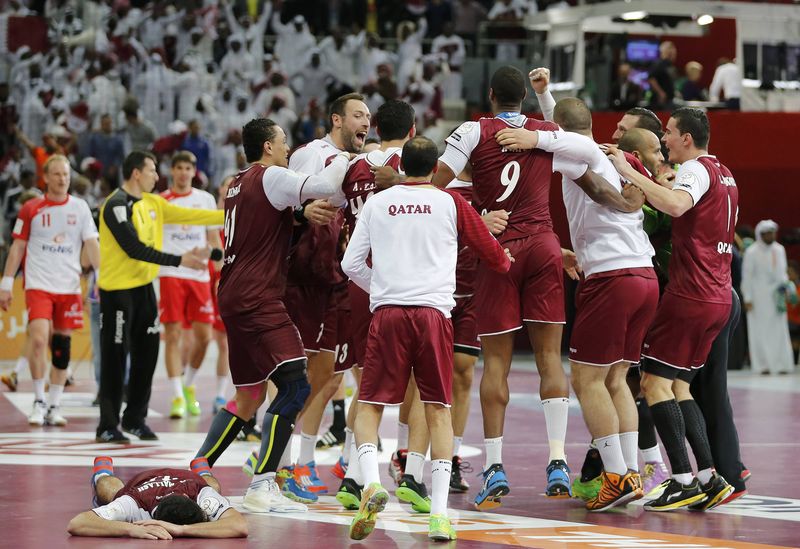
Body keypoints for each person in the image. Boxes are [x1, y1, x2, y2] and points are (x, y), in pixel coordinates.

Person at [342, 136, 512, 541]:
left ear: (403, 166)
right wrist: (508, 261)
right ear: (436, 168)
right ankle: (438, 514)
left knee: (370, 406)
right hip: (435, 315)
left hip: (387, 314)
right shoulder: (451, 202)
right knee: (438, 409)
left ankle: (369, 485)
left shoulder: (379, 203)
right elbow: (493, 254)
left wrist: (381, 288)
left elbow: (350, 263)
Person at [496, 96, 657, 511]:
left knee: (587, 381)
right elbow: (566, 134)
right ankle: (630, 472)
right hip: (644, 274)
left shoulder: (579, 152)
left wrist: (529, 136)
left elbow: (564, 145)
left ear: (560, 130)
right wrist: (547, 99)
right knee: (616, 380)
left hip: (611, 275)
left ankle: (618, 477)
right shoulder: (612, 155)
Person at [430, 66, 573, 509]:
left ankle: (494, 466)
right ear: (524, 101)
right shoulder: (546, 131)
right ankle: (558, 459)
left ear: (490, 95)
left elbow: (433, 188)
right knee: (551, 357)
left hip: (500, 250)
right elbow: (572, 137)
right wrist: (544, 101)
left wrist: (475, 217)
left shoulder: (475, 130)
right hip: (545, 245)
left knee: (496, 364)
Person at [192, 118, 350, 514]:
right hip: (258, 296)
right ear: (267, 146)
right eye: (282, 143)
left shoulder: (235, 183)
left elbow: (264, 223)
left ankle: (201, 464)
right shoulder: (272, 174)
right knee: (297, 387)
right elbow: (326, 185)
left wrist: (299, 218)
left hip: (233, 292)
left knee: (250, 394)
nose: (286, 149)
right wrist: (344, 159)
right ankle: (263, 484)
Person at [605, 107, 737, 511]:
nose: (664, 139)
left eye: (670, 133)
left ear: (687, 138)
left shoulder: (696, 170)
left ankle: (680, 479)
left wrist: (632, 175)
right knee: (679, 386)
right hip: (718, 294)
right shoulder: (725, 174)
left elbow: (678, 206)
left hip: (691, 295)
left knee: (652, 384)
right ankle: (709, 477)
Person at [96, 151, 222, 444]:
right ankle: (107, 423)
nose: (157, 176)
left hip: (143, 290)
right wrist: (180, 261)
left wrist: (236, 209)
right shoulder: (115, 205)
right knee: (115, 357)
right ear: (136, 173)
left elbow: (196, 216)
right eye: (152, 170)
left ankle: (135, 418)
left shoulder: (154, 203)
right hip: (117, 292)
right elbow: (134, 248)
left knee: (148, 353)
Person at [281, 93, 370, 498]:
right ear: (336, 119)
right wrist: (303, 214)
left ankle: (302, 460)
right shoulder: (311, 154)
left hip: (335, 276)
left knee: (331, 378)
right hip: (304, 279)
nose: (364, 122)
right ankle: (281, 461)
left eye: (368, 116)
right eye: (357, 115)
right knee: (299, 377)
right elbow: (286, 206)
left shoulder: (361, 162)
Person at [0, 155, 98, 426]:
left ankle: (55, 405)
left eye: (65, 174)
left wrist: (100, 277)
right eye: (56, 174)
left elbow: (91, 244)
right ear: (46, 177)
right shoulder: (31, 208)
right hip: (38, 284)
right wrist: (6, 284)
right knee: (40, 338)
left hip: (68, 286)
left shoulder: (80, 208)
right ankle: (39, 400)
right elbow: (17, 247)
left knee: (61, 347)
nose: (62, 179)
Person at [159, 151, 223, 419]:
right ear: (172, 171)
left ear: (194, 172)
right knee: (172, 335)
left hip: (199, 276)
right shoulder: (161, 201)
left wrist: (215, 265)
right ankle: (176, 396)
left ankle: (187, 386)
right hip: (171, 273)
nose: (184, 173)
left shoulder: (205, 200)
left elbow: (214, 241)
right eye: (179, 168)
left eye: (188, 168)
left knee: (204, 337)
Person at [67, 456, 247, 538]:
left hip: (186, 478)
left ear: (187, 497)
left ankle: (200, 466)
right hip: (144, 481)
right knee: (111, 491)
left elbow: (240, 526)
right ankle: (102, 471)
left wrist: (183, 530)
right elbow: (77, 523)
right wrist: (129, 529)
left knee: (212, 487)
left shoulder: (199, 492)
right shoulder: (135, 503)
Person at [742, 220, 794, 375]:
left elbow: (782, 272)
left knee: (780, 330)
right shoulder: (752, 252)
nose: (771, 235)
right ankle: (762, 365)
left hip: (776, 297)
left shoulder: (779, 250)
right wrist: (748, 298)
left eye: (773, 232)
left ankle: (782, 364)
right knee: (759, 331)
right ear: (761, 234)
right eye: (768, 233)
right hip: (758, 297)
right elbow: (747, 277)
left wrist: (787, 288)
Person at [648, 41, 677, 110]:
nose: (674, 51)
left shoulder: (669, 65)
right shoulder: (659, 64)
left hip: (669, 100)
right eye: (671, 49)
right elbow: (651, 79)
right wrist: (661, 93)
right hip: (660, 102)